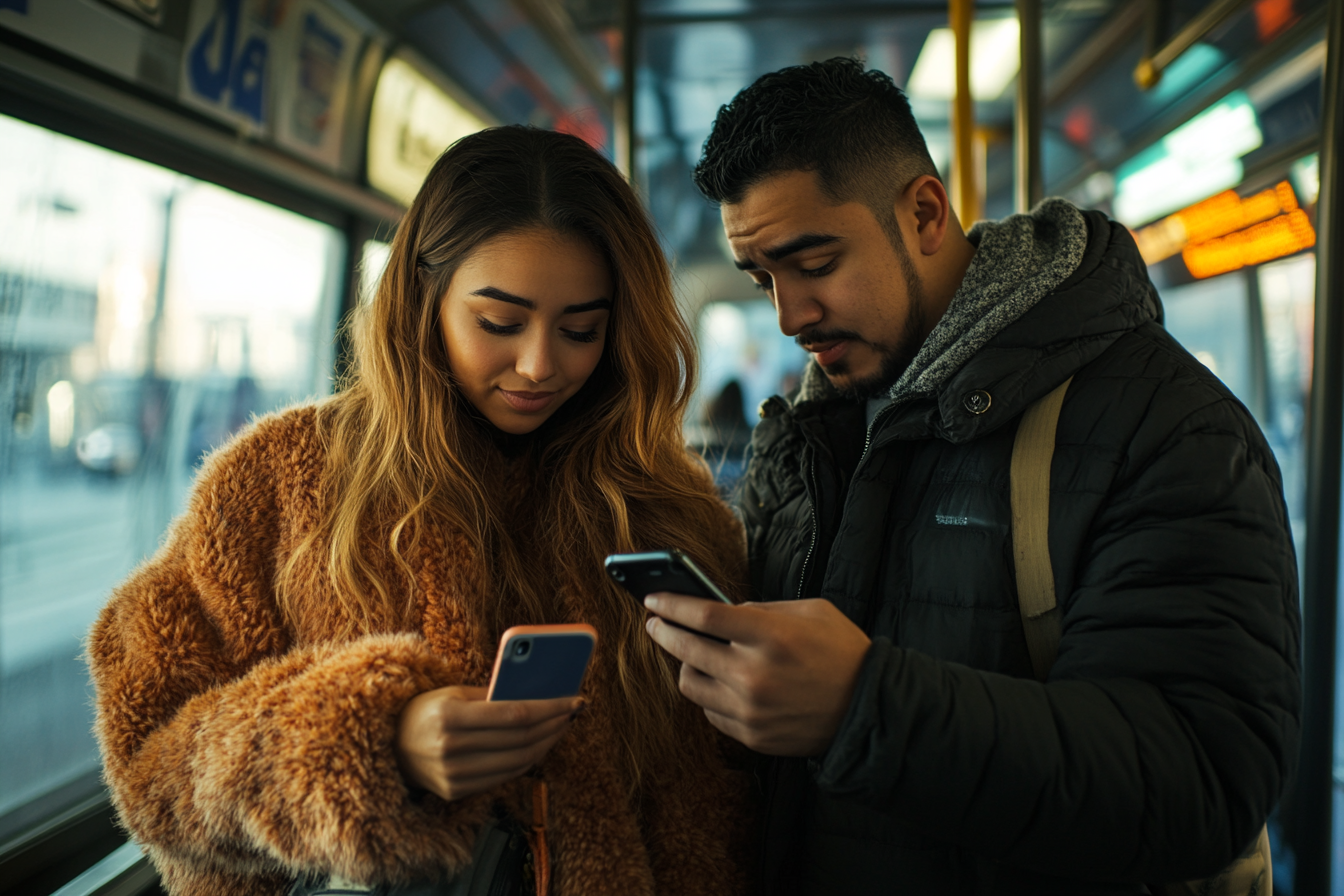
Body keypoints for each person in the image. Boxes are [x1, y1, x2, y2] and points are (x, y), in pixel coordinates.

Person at [643, 58, 1301, 894]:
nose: (789, 315)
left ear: (923, 212)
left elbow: (1200, 782)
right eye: (763, 278)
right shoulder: (814, 433)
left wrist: (863, 708)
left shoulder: (1165, 429)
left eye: (814, 262)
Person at [89, 126, 752, 896]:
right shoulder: (274, 482)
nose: (540, 365)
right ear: (423, 299)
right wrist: (372, 743)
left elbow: (712, 808)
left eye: (581, 330)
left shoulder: (667, 506)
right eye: (499, 323)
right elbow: (151, 761)